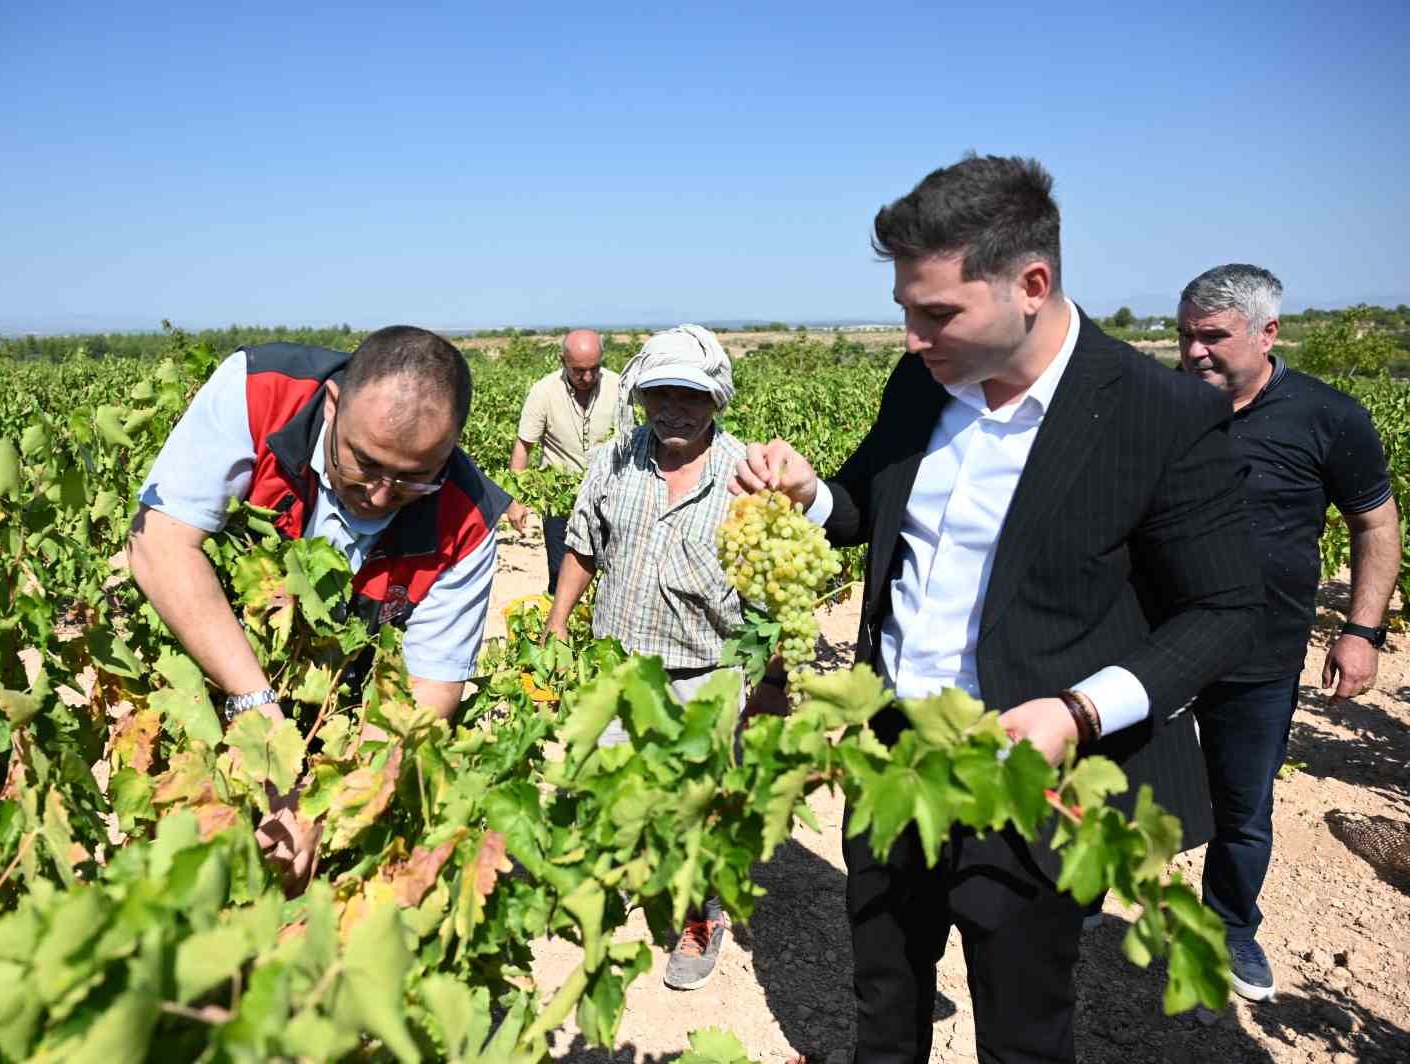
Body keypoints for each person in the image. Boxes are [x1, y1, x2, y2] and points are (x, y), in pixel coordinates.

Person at [736, 154, 1263, 1063]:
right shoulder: (920, 385)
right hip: (889, 748)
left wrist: (1081, 709)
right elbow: (868, 502)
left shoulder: (1157, 415)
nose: (911, 335)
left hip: (1028, 771)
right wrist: (810, 496)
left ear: (1032, 284)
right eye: (906, 307)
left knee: (1022, 1022)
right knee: (884, 993)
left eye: (935, 311)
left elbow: (1224, 608)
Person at [128, 326, 509, 878]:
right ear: (333, 407)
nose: (379, 494)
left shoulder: (468, 521)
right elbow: (159, 543)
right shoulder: (259, 392)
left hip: (344, 721)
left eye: (411, 481)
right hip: (207, 676)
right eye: (365, 463)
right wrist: (256, 709)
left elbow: (429, 688)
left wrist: (327, 804)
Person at [1176, 263, 1400, 1002]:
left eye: (1213, 337)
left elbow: (1374, 524)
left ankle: (1230, 924)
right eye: (1185, 336)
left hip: (1262, 652)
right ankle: (1083, 900)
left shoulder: (1329, 417)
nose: (1194, 353)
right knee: (1121, 776)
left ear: (1268, 332)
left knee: (1243, 807)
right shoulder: (1163, 406)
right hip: (1157, 643)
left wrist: (1361, 628)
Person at [544, 324, 746, 992]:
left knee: (699, 804)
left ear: (716, 399)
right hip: (620, 664)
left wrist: (774, 677)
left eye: (689, 395)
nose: (674, 409)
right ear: (641, 397)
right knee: (610, 784)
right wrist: (555, 624)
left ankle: (698, 915)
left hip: (705, 670)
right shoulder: (613, 461)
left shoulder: (746, 477)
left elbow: (775, 590)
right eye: (660, 393)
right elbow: (582, 547)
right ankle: (620, 880)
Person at [508, 329, 620, 592]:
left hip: (609, 498)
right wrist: (515, 500)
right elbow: (524, 446)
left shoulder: (619, 388)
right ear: (563, 361)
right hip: (559, 501)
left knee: (610, 575)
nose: (588, 376)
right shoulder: (543, 392)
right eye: (579, 370)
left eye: (594, 368)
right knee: (561, 575)